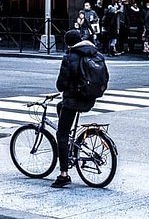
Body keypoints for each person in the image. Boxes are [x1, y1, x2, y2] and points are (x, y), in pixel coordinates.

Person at [52, 29, 109, 189]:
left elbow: (61, 85)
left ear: (68, 43)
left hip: (73, 101)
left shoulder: (70, 57)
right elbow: (105, 77)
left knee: (61, 134)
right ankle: (72, 140)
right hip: (90, 99)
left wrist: (65, 87)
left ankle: (64, 175)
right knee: (60, 107)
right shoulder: (96, 54)